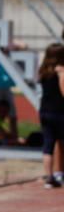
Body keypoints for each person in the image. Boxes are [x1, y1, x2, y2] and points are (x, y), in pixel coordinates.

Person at [36, 43, 64, 188]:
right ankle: (58, 173)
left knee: (48, 145)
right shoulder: (61, 71)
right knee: (61, 142)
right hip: (59, 112)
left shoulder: (43, 71)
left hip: (45, 111)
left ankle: (49, 177)